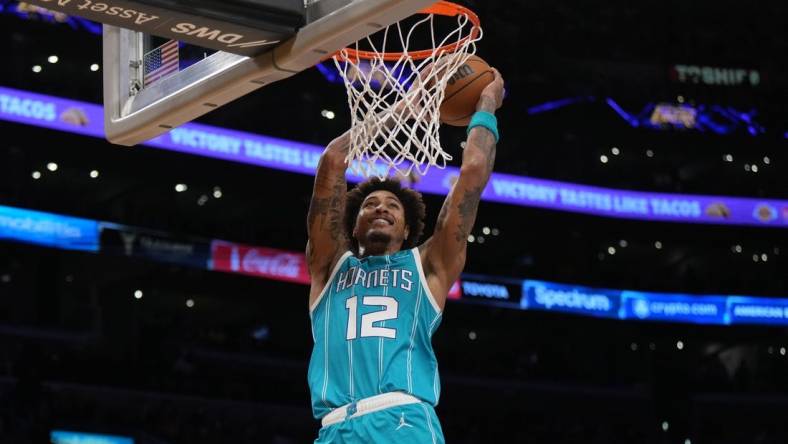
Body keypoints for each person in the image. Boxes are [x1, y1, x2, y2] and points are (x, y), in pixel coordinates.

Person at [306, 68, 505, 443]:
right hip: (332, 428)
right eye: (370, 204)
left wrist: (487, 104)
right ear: (351, 225)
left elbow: (474, 170)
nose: (381, 208)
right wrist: (408, 107)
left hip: (402, 421)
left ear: (407, 228)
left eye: (392, 205)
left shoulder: (428, 264)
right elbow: (334, 158)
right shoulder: (329, 264)